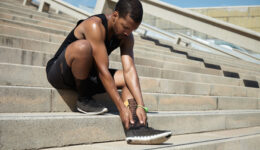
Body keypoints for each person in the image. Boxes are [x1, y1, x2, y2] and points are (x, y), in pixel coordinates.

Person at [46, 0, 171, 144]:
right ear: (115, 15)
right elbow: (102, 70)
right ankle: (83, 100)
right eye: (125, 27)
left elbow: (129, 70)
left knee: (125, 79)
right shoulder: (94, 25)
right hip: (61, 72)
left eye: (132, 30)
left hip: (89, 76)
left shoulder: (126, 36)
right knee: (83, 47)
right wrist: (120, 107)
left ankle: (137, 128)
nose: (128, 33)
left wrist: (141, 105)